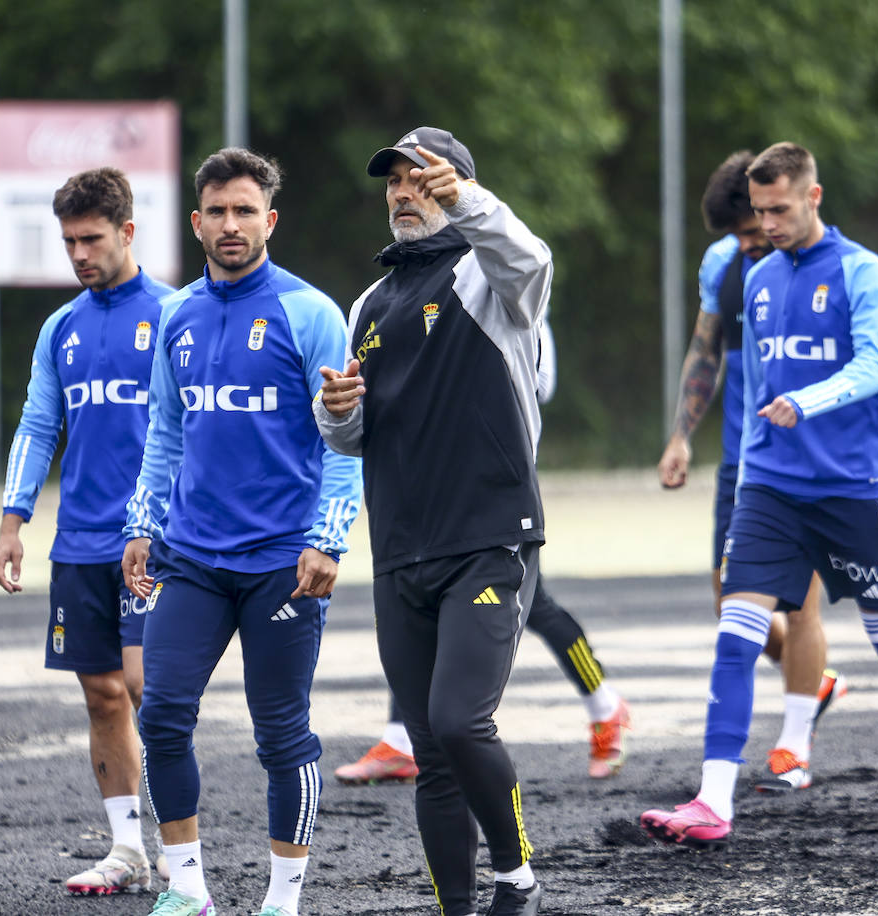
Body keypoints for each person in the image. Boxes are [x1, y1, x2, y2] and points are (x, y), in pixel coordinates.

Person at [641, 142, 878, 849]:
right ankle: (713, 799)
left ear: (813, 197)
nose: (768, 225)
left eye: (779, 209)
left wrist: (816, 406)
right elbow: (730, 366)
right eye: (759, 212)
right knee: (735, 630)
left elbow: (876, 366)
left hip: (851, 486)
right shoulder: (751, 278)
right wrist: (725, 456)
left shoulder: (862, 270)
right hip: (770, 487)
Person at [315, 127, 552, 916]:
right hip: (400, 554)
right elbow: (353, 436)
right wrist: (334, 412)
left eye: (421, 180)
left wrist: (469, 202)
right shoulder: (368, 304)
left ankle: (516, 875)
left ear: (454, 188)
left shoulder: (490, 278)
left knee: (460, 721)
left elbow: (533, 258)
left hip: (489, 541)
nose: (402, 193)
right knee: (429, 751)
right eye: (394, 183)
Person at [121, 148, 362, 916]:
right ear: (197, 222)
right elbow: (164, 432)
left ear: (271, 220)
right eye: (218, 212)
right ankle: (185, 887)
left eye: (245, 211)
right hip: (191, 556)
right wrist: (141, 524)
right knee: (160, 712)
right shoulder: (175, 316)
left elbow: (346, 440)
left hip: (281, 563)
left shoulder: (312, 313)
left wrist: (327, 539)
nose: (231, 224)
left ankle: (282, 899)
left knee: (281, 732)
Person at [337, 317, 631, 786]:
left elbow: (540, 383)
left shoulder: (508, 296)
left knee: (538, 605)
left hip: (490, 500)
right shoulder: (400, 300)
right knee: (416, 602)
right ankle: (400, 739)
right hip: (428, 496)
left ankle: (605, 705)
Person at [0, 167, 176, 895]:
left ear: (127, 232)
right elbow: (39, 426)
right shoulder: (60, 327)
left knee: (145, 686)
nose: (78, 254)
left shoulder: (173, 315)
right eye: (68, 241)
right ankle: (127, 849)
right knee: (101, 694)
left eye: (91, 239)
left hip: (154, 542)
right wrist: (13, 524)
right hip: (80, 545)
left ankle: (178, 846)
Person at [657, 150, 856, 794]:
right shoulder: (727, 265)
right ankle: (816, 681)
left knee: (800, 605)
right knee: (728, 603)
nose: (749, 243)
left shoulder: (820, 267)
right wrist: (681, 437)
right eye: (738, 235)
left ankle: (793, 747)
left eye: (754, 227)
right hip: (743, 462)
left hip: (807, 462)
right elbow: (705, 350)